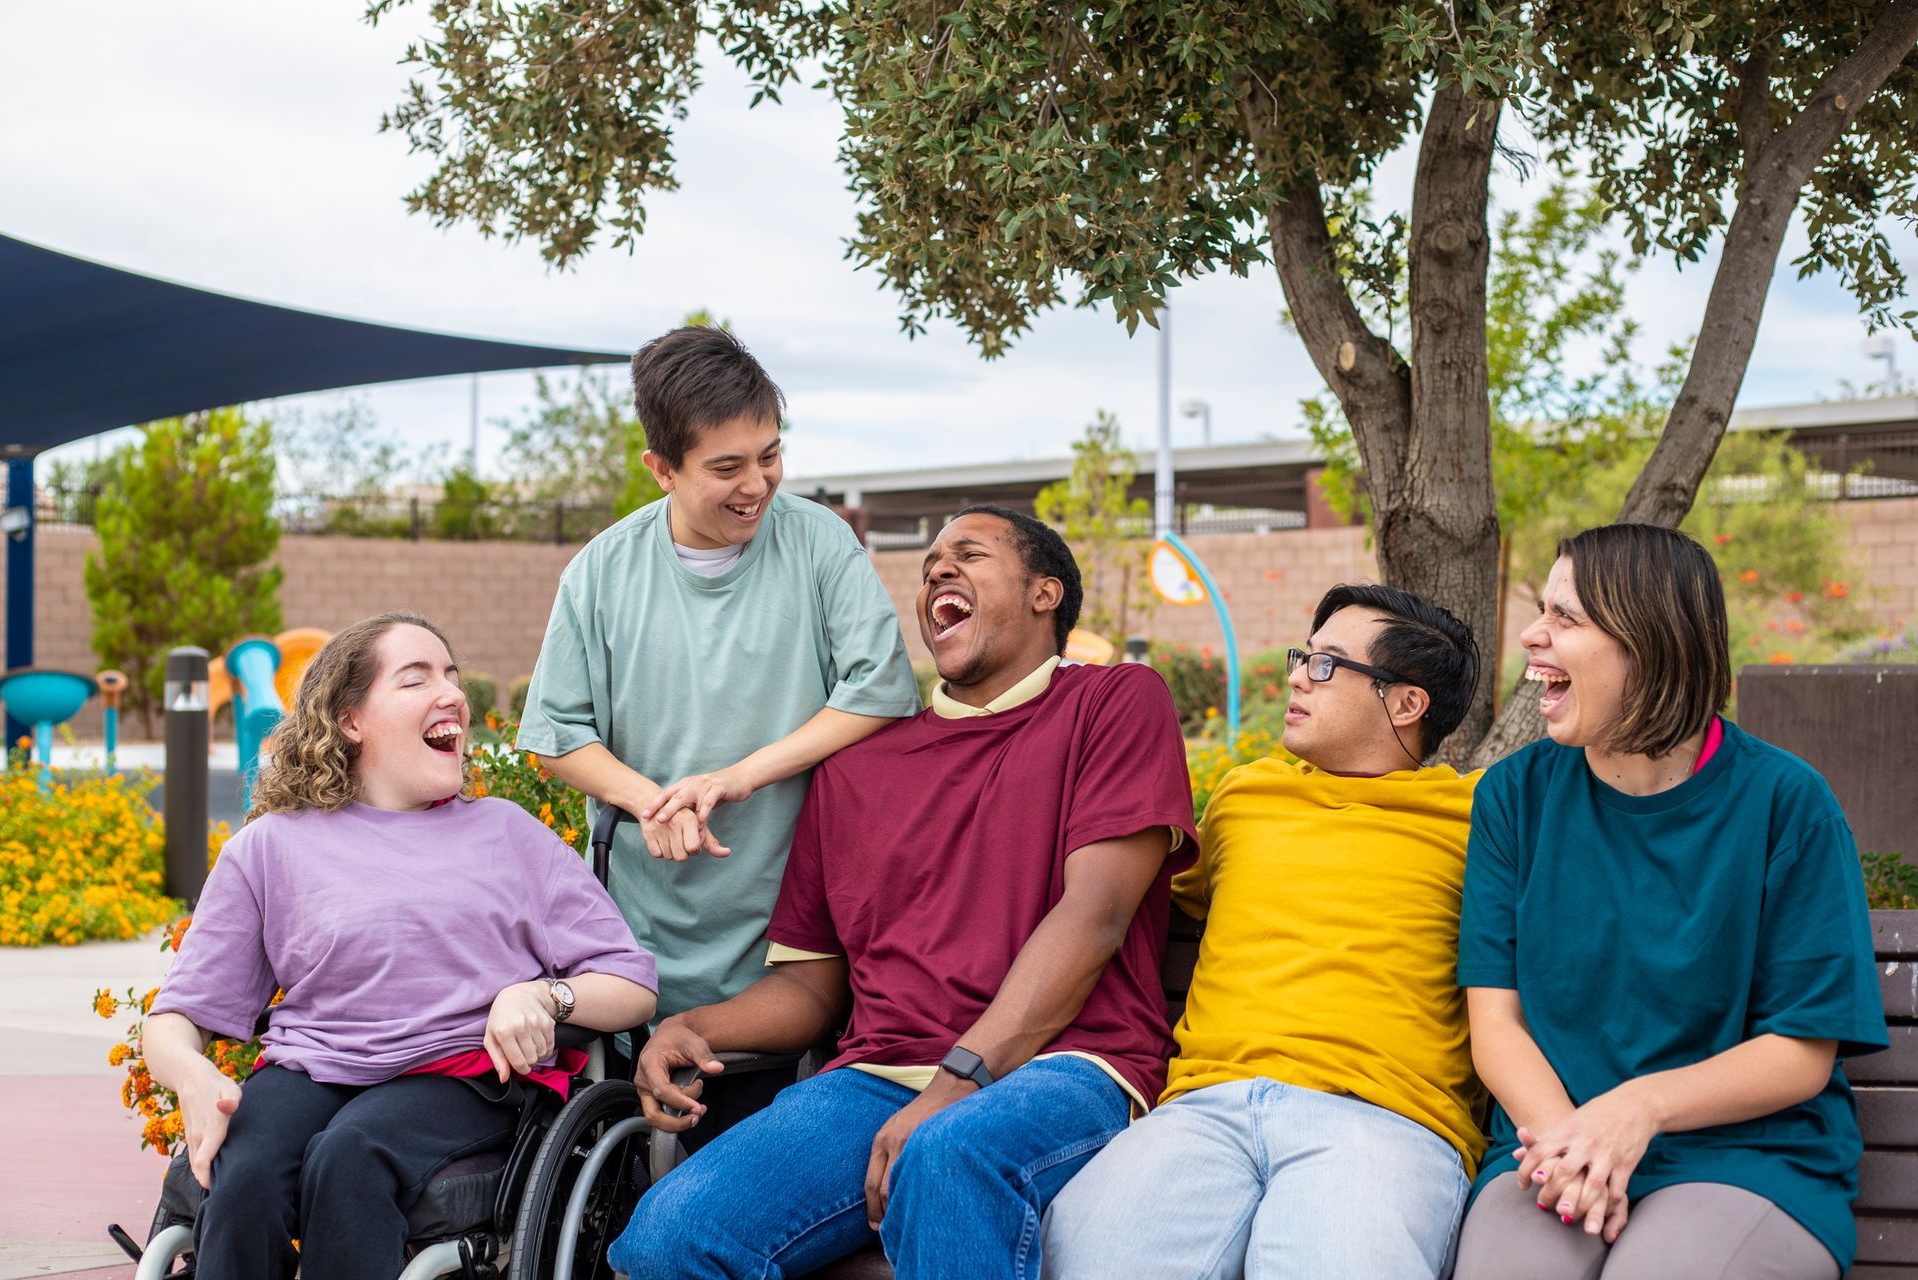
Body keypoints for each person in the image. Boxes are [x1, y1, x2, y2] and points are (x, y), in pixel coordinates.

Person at [606, 505, 1197, 1279]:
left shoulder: (1114, 703)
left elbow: (1095, 919)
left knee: (946, 1156)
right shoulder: (856, 768)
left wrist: (954, 1086)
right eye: (928, 567)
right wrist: (697, 1027)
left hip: (1064, 1066)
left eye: (970, 555)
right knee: (667, 1239)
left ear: (1046, 594)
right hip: (876, 1080)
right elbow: (815, 989)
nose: (938, 572)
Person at [142, 612, 658, 1280]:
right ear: (350, 719)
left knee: (350, 1158)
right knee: (243, 1177)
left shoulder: (507, 836)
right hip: (314, 1068)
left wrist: (545, 995)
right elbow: (174, 1019)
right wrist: (192, 1075)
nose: (451, 694)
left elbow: (632, 983)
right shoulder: (271, 847)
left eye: (451, 675)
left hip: (463, 1076)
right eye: (417, 679)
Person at [516, 325, 921, 1141]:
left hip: (789, 938)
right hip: (642, 933)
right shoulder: (601, 570)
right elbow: (554, 735)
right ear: (662, 469)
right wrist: (649, 801)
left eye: (769, 456)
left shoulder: (817, 543)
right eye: (727, 468)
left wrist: (739, 777)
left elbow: (881, 691)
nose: (757, 485)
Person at [1452, 523, 1887, 1280]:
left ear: (1648, 643)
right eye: (1542, 611)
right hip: (1551, 1142)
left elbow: (1801, 1052)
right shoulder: (1512, 799)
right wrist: (1573, 1145)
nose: (1532, 634)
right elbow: (1497, 1020)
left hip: (1745, 1158)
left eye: (1566, 617)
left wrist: (1636, 1111)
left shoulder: (1787, 803)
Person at [1043, 583, 1485, 1278]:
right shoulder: (1246, 796)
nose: (1297, 678)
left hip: (1380, 1117)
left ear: (1407, 703)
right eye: (1303, 657)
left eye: (1328, 664)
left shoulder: (1480, 818)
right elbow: (1136, 906)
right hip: (1203, 1108)